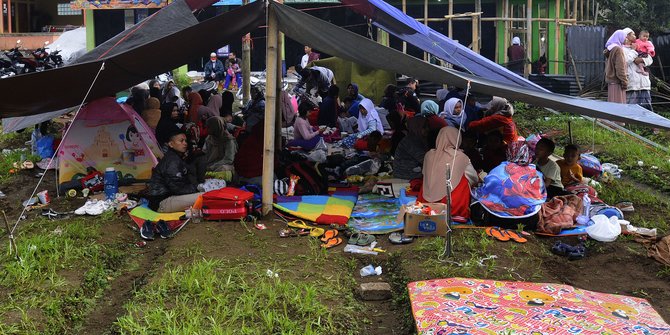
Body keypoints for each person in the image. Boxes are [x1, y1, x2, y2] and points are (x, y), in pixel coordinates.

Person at [473, 141, 546, 229]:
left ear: (509, 152)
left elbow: (486, 190)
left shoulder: (499, 169)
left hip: (497, 219)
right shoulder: (537, 173)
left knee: (477, 194)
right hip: (529, 220)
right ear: (528, 154)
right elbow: (541, 197)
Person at [419, 127, 478, 223]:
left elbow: (423, 173)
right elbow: (474, 178)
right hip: (451, 205)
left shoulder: (428, 155)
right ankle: (458, 213)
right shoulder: (460, 157)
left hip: (425, 202)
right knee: (464, 180)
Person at [146, 130, 203, 213]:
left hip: (169, 198)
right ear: (171, 144)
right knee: (206, 196)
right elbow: (178, 188)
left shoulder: (175, 157)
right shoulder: (172, 161)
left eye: (185, 141)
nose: (185, 143)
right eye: (181, 141)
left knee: (205, 193)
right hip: (162, 203)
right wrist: (198, 187)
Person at [624, 35, 654, 111]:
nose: (634, 36)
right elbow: (626, 61)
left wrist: (641, 60)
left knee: (647, 110)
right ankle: (629, 122)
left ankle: (648, 123)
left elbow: (650, 59)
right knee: (630, 109)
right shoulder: (622, 49)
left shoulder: (642, 45)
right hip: (632, 83)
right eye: (632, 34)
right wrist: (633, 51)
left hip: (644, 83)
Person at [393, 116, 428, 180]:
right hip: (406, 175)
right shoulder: (410, 141)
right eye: (424, 127)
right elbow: (424, 159)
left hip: (412, 172)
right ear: (417, 127)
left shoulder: (419, 139)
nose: (427, 129)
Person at [604, 28, 633, 104]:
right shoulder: (618, 49)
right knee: (618, 107)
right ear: (620, 37)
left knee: (612, 105)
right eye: (625, 37)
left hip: (612, 82)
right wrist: (624, 81)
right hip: (617, 82)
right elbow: (620, 67)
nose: (626, 39)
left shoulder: (611, 48)